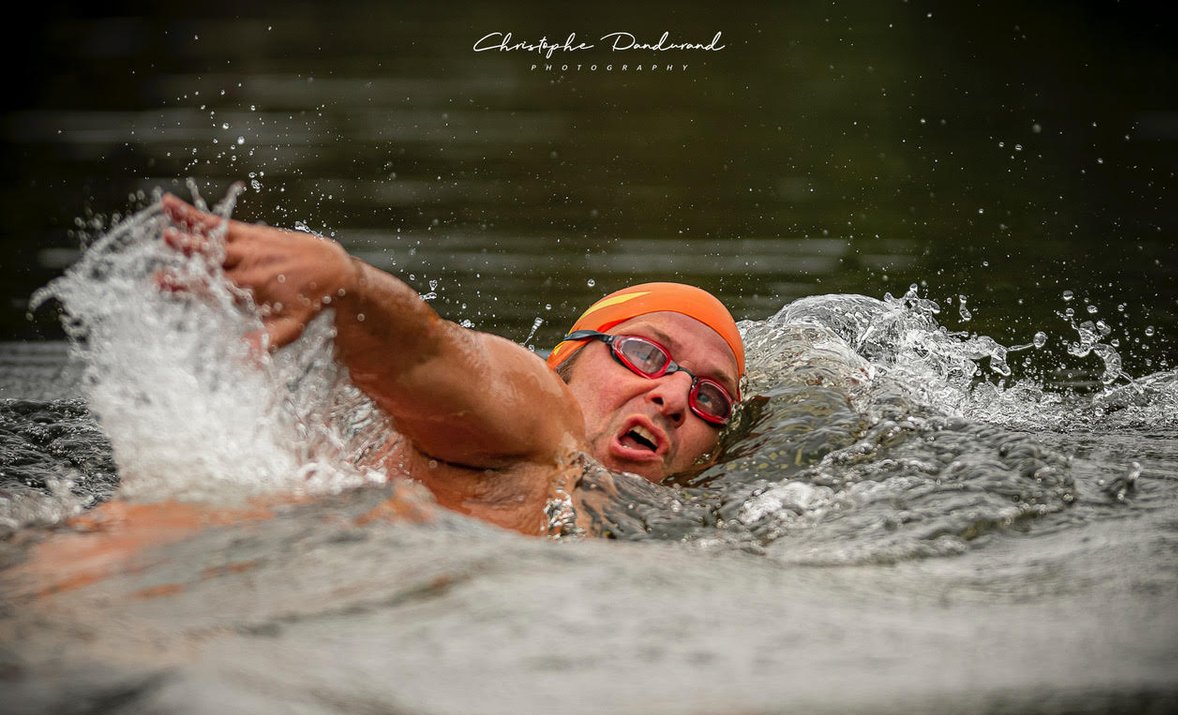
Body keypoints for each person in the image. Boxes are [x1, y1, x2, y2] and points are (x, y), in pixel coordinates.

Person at [161, 195, 745, 536]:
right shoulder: (542, 419)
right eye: (645, 353)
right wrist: (352, 287)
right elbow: (438, 359)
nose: (670, 396)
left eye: (710, 398)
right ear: (563, 365)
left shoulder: (645, 520)